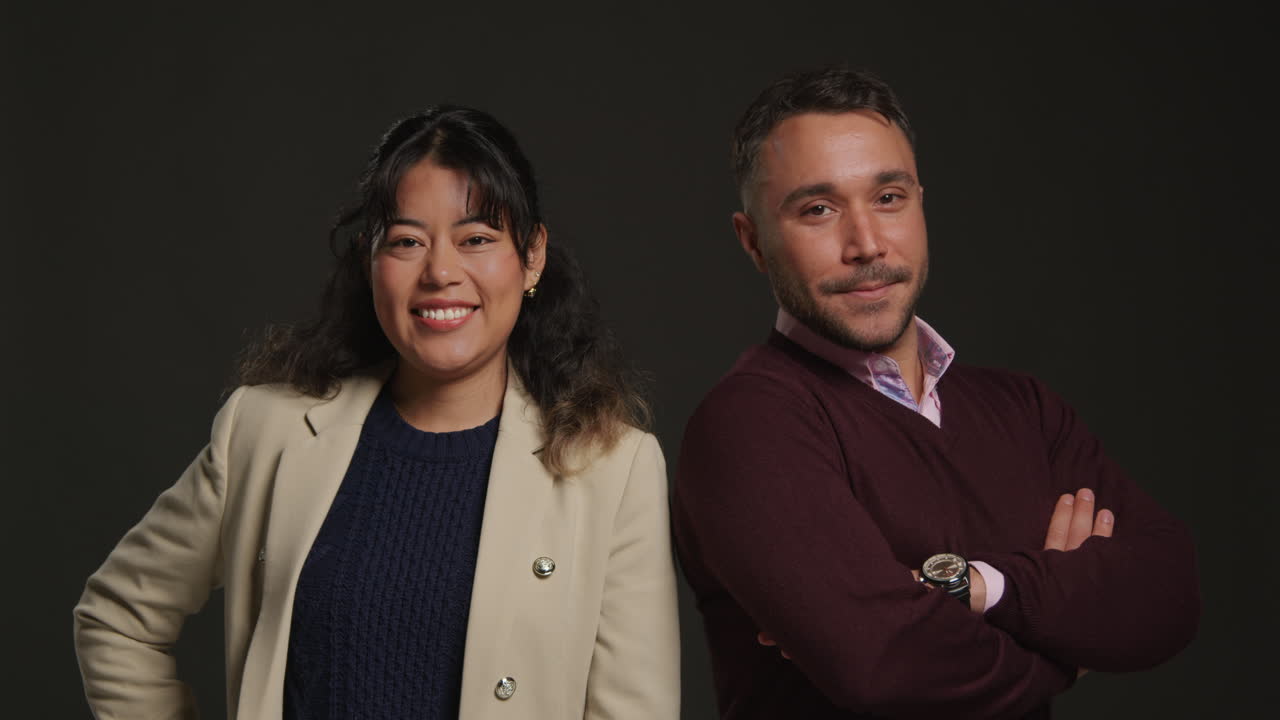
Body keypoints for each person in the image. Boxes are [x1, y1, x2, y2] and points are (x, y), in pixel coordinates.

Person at [73, 106, 680, 719]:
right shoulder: (263, 431)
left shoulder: (613, 468)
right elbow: (116, 617)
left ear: (533, 256)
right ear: (370, 259)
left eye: (476, 239)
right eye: (407, 241)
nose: (441, 272)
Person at [672, 67, 1199, 719]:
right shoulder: (749, 426)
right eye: (818, 209)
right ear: (753, 241)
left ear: (920, 203)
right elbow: (887, 669)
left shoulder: (1025, 410)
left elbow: (1171, 595)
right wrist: (1065, 645)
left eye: (888, 197)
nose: (866, 244)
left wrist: (979, 589)